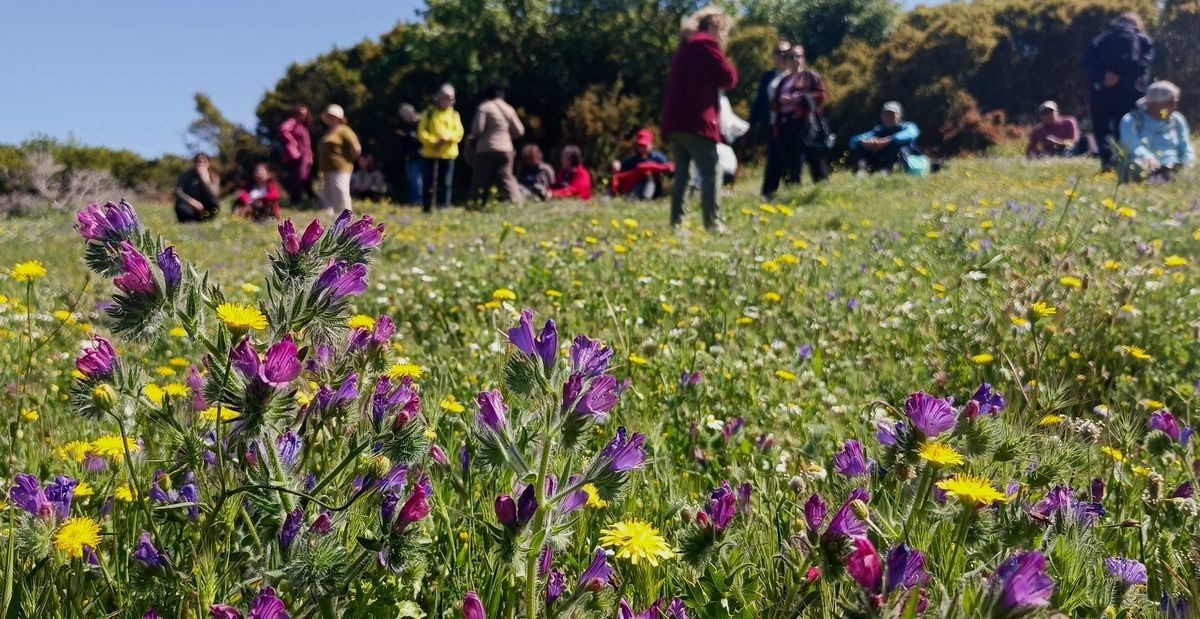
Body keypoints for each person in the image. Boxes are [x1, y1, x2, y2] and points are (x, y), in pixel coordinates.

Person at [661, 6, 738, 232]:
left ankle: (677, 224)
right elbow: (729, 78)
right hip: (697, 122)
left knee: (683, 175)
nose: (723, 36)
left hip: (675, 122)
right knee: (712, 170)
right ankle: (713, 223)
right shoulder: (706, 44)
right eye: (722, 30)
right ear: (714, 26)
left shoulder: (685, 47)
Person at [1083, 12, 1154, 171]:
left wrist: (1104, 77)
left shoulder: (1100, 38)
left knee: (1101, 128)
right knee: (1125, 126)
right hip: (1129, 91)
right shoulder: (1142, 38)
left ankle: (1107, 162)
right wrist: (1123, 78)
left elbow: (1087, 63)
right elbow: (1144, 63)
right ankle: (1126, 161)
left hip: (1102, 90)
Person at [761, 45, 828, 200]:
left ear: (803, 58)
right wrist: (781, 102)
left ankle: (822, 191)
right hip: (785, 125)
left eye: (798, 56)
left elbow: (821, 96)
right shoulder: (782, 80)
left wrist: (798, 98)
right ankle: (794, 193)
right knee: (791, 161)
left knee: (814, 157)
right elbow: (773, 104)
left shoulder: (810, 76)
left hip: (805, 124)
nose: (795, 60)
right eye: (791, 57)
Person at [1118, 80, 1195, 183]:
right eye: (1170, 103)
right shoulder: (1131, 120)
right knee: (1136, 165)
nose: (1174, 107)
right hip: (1145, 165)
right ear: (1154, 104)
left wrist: (1187, 162)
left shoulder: (1177, 119)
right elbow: (1132, 145)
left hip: (1173, 165)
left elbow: (1184, 145)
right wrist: (1148, 158)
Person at [468, 84, 525, 206]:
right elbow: (520, 131)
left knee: (481, 178)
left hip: (485, 149)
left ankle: (476, 203)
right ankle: (516, 202)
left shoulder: (484, 107)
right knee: (506, 177)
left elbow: (477, 130)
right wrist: (507, 137)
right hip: (506, 149)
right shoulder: (508, 109)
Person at [418, 84, 465, 213]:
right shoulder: (429, 113)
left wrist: (447, 138)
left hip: (448, 154)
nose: (451, 100)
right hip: (430, 154)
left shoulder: (454, 115)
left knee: (446, 182)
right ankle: (427, 208)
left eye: (452, 98)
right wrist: (434, 141)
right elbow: (421, 133)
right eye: (447, 97)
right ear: (438, 97)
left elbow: (459, 133)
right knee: (429, 182)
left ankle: (444, 207)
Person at [849, 101, 920, 175]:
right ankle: (861, 171)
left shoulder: (908, 126)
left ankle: (888, 171)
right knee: (859, 145)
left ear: (899, 115)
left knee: (897, 146)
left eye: (892, 114)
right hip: (880, 160)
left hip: (905, 158)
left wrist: (887, 140)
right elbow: (854, 140)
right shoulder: (879, 130)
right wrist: (865, 142)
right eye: (885, 114)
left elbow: (912, 134)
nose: (888, 117)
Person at [317, 104, 361, 215]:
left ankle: (346, 218)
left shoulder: (344, 130)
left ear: (339, 117)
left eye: (333, 116)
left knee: (340, 192)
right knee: (328, 194)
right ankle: (331, 219)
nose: (330, 118)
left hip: (341, 168)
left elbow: (356, 147)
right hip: (326, 169)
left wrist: (351, 159)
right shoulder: (328, 132)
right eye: (328, 116)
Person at [611, 129, 672, 200]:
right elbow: (622, 167)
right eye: (640, 146)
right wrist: (617, 164)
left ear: (651, 145)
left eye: (644, 146)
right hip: (636, 188)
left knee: (649, 174)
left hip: (655, 187)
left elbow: (669, 168)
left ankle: (646, 198)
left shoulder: (658, 157)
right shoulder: (633, 159)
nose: (642, 148)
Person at [278, 104, 316, 206]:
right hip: (298, 157)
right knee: (299, 178)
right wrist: (292, 141)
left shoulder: (303, 127)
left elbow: (307, 145)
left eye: (304, 114)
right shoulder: (293, 122)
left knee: (306, 178)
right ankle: (297, 202)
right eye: (300, 113)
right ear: (295, 113)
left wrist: (310, 156)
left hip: (305, 157)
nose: (302, 116)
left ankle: (311, 200)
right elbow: (283, 129)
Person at [174, 153, 221, 223]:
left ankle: (205, 219)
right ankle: (189, 220)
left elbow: (214, 195)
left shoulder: (214, 177)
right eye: (199, 161)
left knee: (214, 204)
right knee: (181, 207)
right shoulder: (187, 175)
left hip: (204, 207)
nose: (201, 164)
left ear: (208, 164)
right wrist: (192, 202)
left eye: (204, 162)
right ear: (195, 163)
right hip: (189, 205)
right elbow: (178, 191)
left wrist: (205, 179)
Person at [395, 104, 424, 205]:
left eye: (404, 116)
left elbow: (420, 139)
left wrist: (407, 135)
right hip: (409, 156)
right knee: (411, 179)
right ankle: (412, 200)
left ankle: (419, 201)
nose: (403, 119)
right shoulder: (407, 124)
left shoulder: (420, 123)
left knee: (417, 180)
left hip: (418, 156)